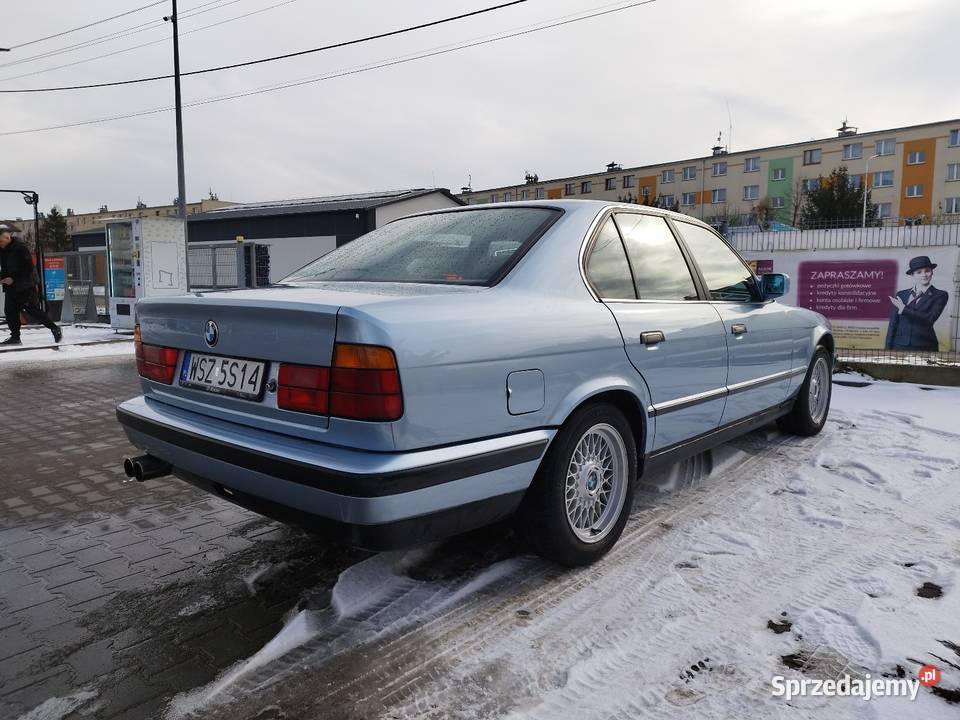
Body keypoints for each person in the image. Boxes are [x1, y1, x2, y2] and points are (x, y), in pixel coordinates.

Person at [0, 224, 62, 346]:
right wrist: (2, 277)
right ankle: (15, 337)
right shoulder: (2, 249)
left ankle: (55, 328)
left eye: (0, 241)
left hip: (25, 285)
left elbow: (28, 268)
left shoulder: (20, 248)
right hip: (11, 286)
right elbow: (5, 267)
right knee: (10, 311)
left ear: (7, 238)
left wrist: (13, 278)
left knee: (32, 310)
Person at [885, 255, 949, 351]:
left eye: (927, 270)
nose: (924, 275)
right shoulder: (901, 295)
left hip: (925, 345)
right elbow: (893, 323)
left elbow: (930, 318)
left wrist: (904, 309)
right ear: (912, 275)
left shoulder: (940, 295)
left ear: (932, 272)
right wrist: (888, 347)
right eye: (919, 272)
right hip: (899, 345)